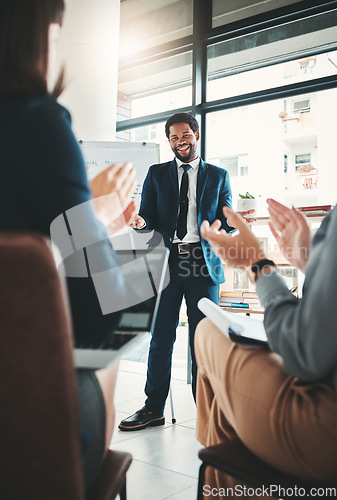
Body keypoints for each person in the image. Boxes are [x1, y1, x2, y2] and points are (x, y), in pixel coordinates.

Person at [0, 0, 137, 490]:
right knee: (129, 303)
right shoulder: (38, 124)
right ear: (39, 35)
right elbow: (97, 322)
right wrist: (99, 223)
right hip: (22, 447)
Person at [119, 112, 254, 431]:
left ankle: (209, 409)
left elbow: (227, 218)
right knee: (161, 338)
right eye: (173, 137)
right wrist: (139, 223)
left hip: (202, 264)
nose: (180, 142)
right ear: (168, 141)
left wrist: (227, 225)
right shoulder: (156, 174)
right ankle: (153, 408)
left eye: (185, 135)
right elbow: (147, 217)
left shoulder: (219, 175)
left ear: (196, 134)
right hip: (166, 262)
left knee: (203, 340)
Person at [195, 199, 337, 497]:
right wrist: (311, 261)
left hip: (323, 429)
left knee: (209, 330)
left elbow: (305, 352)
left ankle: (222, 476)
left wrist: (257, 264)